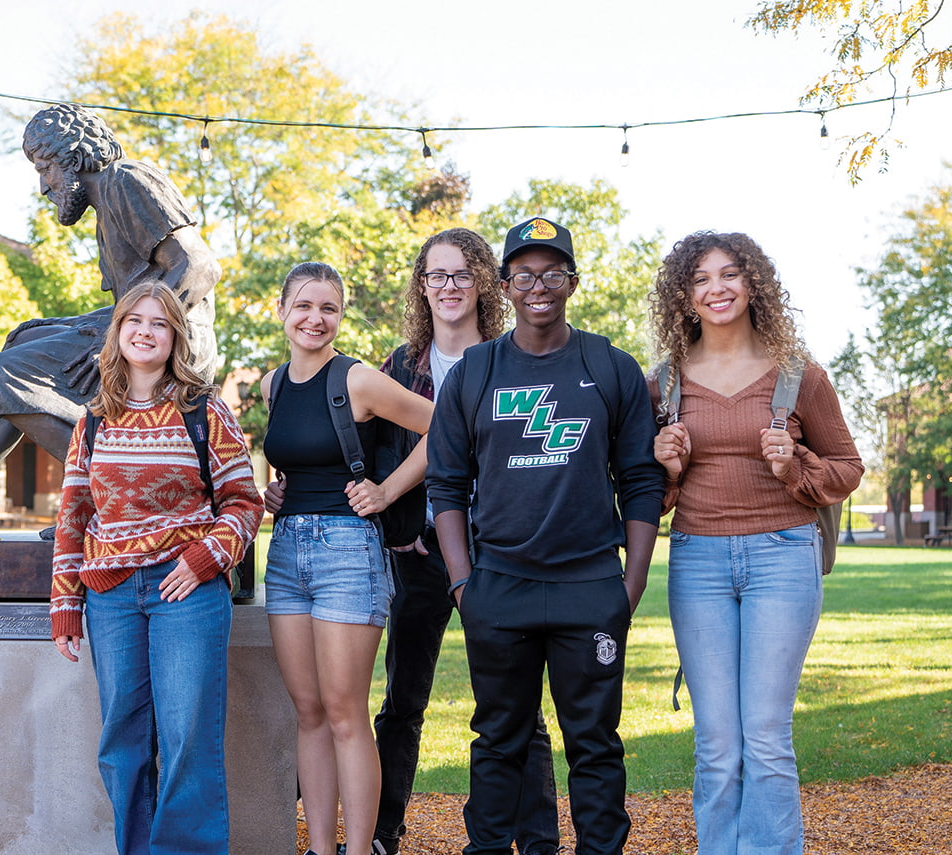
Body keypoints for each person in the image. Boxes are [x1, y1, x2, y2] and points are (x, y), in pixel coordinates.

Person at [425, 218, 664, 855]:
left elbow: (641, 480)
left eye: (552, 273)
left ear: (573, 283)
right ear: (504, 285)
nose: (539, 285)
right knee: (498, 741)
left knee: (595, 744)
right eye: (525, 274)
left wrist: (630, 582)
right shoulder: (475, 372)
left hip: (589, 585)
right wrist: (462, 584)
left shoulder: (610, 367)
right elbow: (445, 485)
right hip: (498, 586)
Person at [646, 232, 863, 855]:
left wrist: (795, 466)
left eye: (730, 275)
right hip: (698, 562)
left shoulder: (799, 376)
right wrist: (666, 468)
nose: (717, 288)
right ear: (684, 298)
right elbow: (639, 495)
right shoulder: (661, 383)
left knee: (766, 736)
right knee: (717, 742)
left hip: (781, 557)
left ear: (753, 285)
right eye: (701, 280)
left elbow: (847, 466)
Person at [49, 282, 263, 855]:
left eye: (160, 323)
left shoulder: (204, 409)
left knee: (187, 736)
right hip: (111, 594)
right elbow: (73, 513)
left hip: (185, 591)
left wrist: (202, 560)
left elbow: (245, 501)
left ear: (175, 337)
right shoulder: (93, 421)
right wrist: (66, 604)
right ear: (117, 333)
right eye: (134, 321)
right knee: (122, 740)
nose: (146, 331)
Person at [368, 229, 559, 855]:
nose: (448, 287)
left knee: (515, 706)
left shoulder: (513, 360)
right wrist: (395, 528)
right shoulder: (400, 368)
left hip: (496, 554)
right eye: (435, 276)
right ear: (422, 287)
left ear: (482, 282)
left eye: (460, 275)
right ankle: (381, 834)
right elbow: (366, 457)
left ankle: (536, 842)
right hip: (419, 556)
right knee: (402, 703)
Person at [0, 104, 220, 508]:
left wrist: (116, 337)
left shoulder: (126, 181)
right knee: (22, 339)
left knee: (0, 373)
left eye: (44, 168)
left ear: (75, 156)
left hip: (176, 340)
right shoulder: (107, 207)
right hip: (145, 327)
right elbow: (139, 293)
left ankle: (109, 494)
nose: (44, 188)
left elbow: (199, 267)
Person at [262, 262, 433, 855]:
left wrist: (388, 491)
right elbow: (294, 458)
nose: (315, 318)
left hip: (347, 552)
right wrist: (275, 490)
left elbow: (446, 428)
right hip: (284, 553)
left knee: (343, 712)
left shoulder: (357, 379)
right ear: (281, 309)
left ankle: (358, 851)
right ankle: (320, 849)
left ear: (340, 316)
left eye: (329, 308)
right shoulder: (272, 384)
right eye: (304, 306)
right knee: (307, 711)